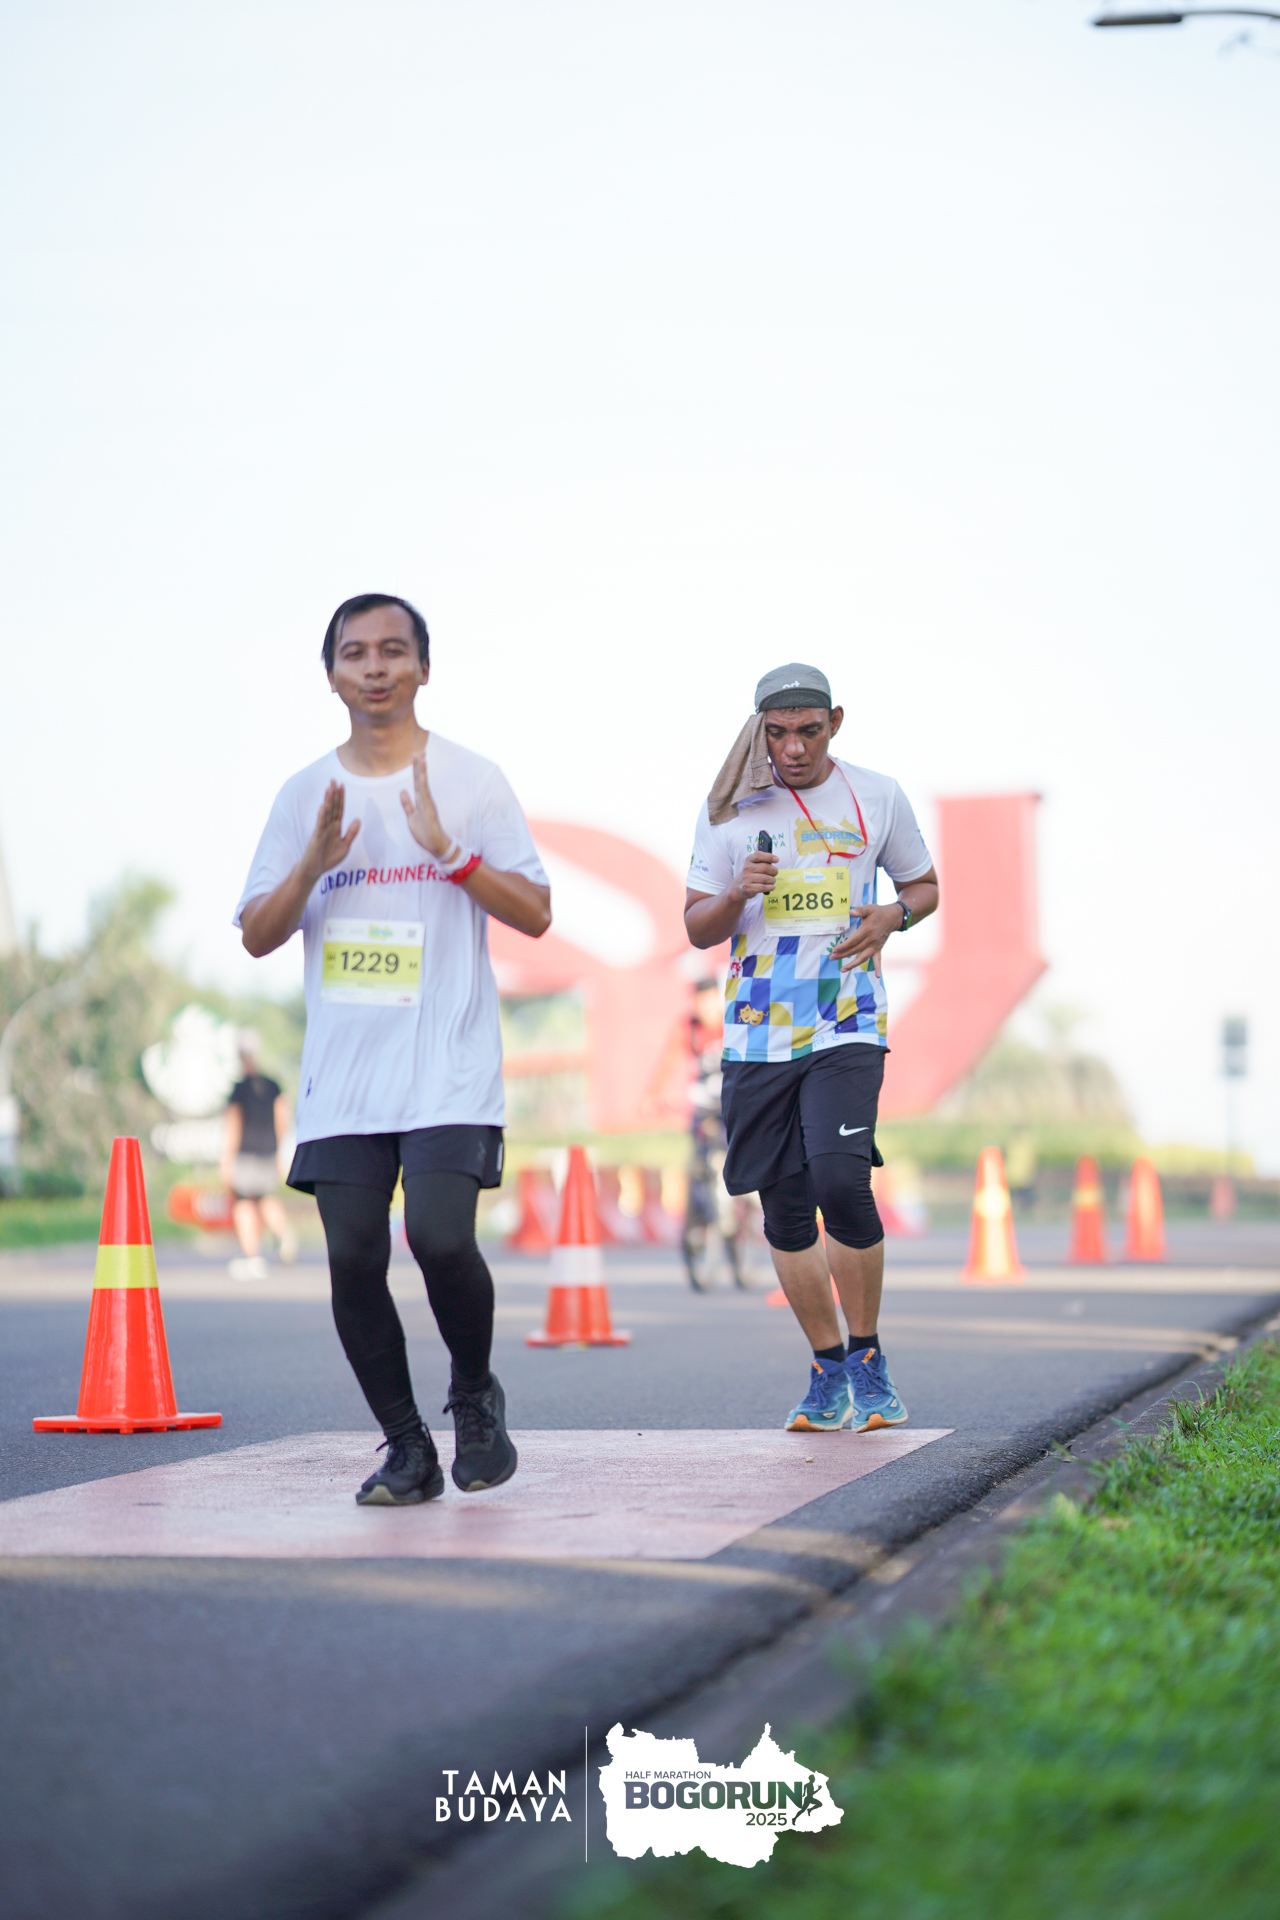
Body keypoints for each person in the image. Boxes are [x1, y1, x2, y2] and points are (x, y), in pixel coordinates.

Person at [234, 593, 551, 1505]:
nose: (374, 667)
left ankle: (474, 1397)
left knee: (441, 1238)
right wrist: (312, 864)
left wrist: (449, 851)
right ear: (332, 674)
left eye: (392, 650)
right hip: (345, 1080)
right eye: (355, 653)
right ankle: (407, 1447)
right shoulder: (303, 795)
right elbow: (256, 934)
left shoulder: (473, 780)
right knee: (351, 1258)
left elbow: (536, 912)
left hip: (449, 1066)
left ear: (423, 667)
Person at [685, 662, 939, 1434]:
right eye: (777, 733)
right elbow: (697, 926)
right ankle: (828, 1369)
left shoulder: (877, 795)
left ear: (835, 722)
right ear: (759, 731)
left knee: (840, 1179)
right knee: (785, 1209)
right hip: (756, 1030)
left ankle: (868, 1359)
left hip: (846, 1017)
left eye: (808, 730)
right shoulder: (728, 808)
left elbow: (924, 886)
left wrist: (893, 916)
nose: (793, 747)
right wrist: (738, 892)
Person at [220, 1029, 298, 1281]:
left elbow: (233, 1123)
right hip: (268, 1150)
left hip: (245, 1152)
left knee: (243, 1201)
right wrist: (280, 1147)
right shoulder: (273, 1085)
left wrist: (227, 1158)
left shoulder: (240, 1088)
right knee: (264, 1197)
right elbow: (283, 1116)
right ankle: (283, 1232)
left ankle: (252, 1257)